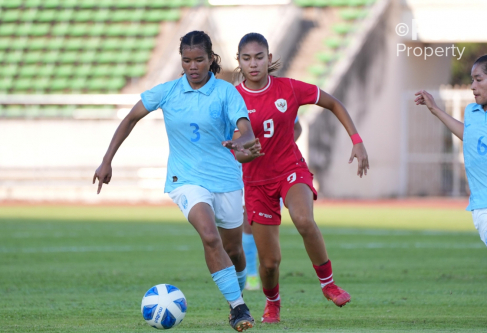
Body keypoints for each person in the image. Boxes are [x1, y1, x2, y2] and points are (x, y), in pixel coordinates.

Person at [93, 31, 261, 332]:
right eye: (187, 60)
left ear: (211, 59)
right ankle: (238, 307)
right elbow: (130, 117)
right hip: (185, 180)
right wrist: (107, 159)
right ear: (180, 61)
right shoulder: (168, 91)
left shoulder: (226, 92)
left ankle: (233, 294)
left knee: (234, 251)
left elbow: (245, 130)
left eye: (199, 60)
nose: (193, 66)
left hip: (226, 180)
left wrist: (242, 144)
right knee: (210, 236)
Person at [232, 33, 369, 323]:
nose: (253, 63)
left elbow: (333, 103)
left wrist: (356, 140)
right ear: (239, 62)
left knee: (304, 219)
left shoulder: (289, 89)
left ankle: (328, 284)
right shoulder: (233, 99)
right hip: (256, 183)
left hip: (290, 169)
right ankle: (273, 304)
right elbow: (237, 153)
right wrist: (246, 151)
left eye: (259, 57)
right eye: (246, 58)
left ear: (269, 59)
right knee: (270, 263)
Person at [415, 54, 487, 248]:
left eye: (478, 80)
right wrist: (435, 110)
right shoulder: (472, 111)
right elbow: (469, 135)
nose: (472, 86)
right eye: (472, 80)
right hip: (481, 205)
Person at [242, 118, 302, 291]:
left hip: (272, 171)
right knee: (247, 223)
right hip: (241, 169)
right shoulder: (232, 100)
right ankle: (251, 274)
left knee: (264, 225)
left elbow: (297, 127)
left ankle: (263, 272)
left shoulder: (278, 98)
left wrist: (281, 148)